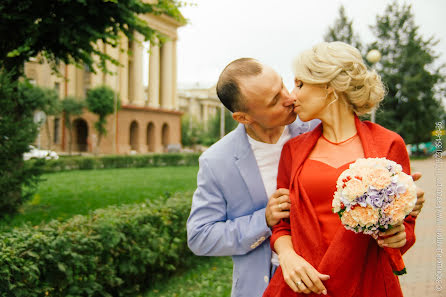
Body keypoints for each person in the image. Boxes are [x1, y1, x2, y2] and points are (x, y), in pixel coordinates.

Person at [263, 41, 420, 297]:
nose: (292, 95)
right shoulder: (292, 150)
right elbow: (282, 226)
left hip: (365, 284)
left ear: (328, 85)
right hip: (305, 285)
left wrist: (399, 234)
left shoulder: (389, 144)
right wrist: (287, 256)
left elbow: (406, 227)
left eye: (300, 84)